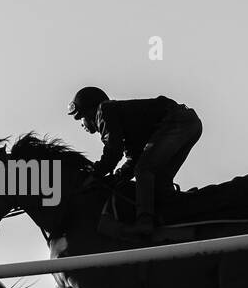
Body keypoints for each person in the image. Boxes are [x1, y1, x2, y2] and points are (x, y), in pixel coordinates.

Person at [67, 86, 203, 236]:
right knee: (159, 179)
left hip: (177, 121)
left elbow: (113, 151)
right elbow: (134, 159)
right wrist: (116, 178)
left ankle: (144, 222)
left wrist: (95, 173)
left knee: (144, 170)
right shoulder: (121, 119)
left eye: (81, 119)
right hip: (189, 122)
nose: (82, 125)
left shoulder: (104, 111)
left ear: (89, 111)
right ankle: (178, 210)